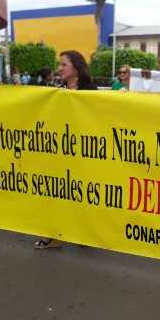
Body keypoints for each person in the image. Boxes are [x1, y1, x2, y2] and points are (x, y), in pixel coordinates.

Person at [35, 50, 97, 249]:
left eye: (63, 65)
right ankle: (54, 235)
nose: (59, 69)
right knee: (55, 192)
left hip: (83, 153)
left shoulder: (90, 90)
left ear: (76, 68)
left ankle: (85, 233)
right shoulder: (58, 89)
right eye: (59, 65)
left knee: (82, 193)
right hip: (59, 151)